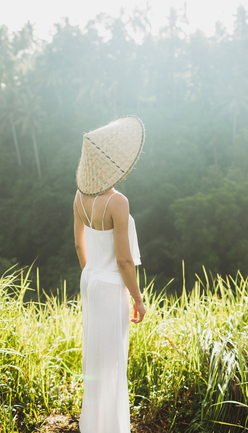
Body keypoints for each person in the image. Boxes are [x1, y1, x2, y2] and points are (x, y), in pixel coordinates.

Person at [73, 115, 146, 433]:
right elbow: (125, 261)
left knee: (95, 360)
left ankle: (94, 426)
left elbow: (79, 245)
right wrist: (138, 300)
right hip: (110, 285)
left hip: (90, 280)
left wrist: (92, 274)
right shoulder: (118, 201)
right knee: (112, 360)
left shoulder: (79, 197)